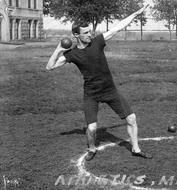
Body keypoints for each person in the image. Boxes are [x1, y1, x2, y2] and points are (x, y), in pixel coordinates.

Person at [46, 4, 152, 160]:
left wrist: (135, 14)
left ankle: (136, 149)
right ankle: (91, 148)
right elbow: (49, 67)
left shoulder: (97, 42)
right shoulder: (72, 54)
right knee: (92, 127)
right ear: (76, 35)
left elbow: (118, 28)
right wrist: (58, 49)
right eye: (86, 32)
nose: (90, 34)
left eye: (90, 31)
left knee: (132, 119)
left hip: (110, 90)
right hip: (91, 94)